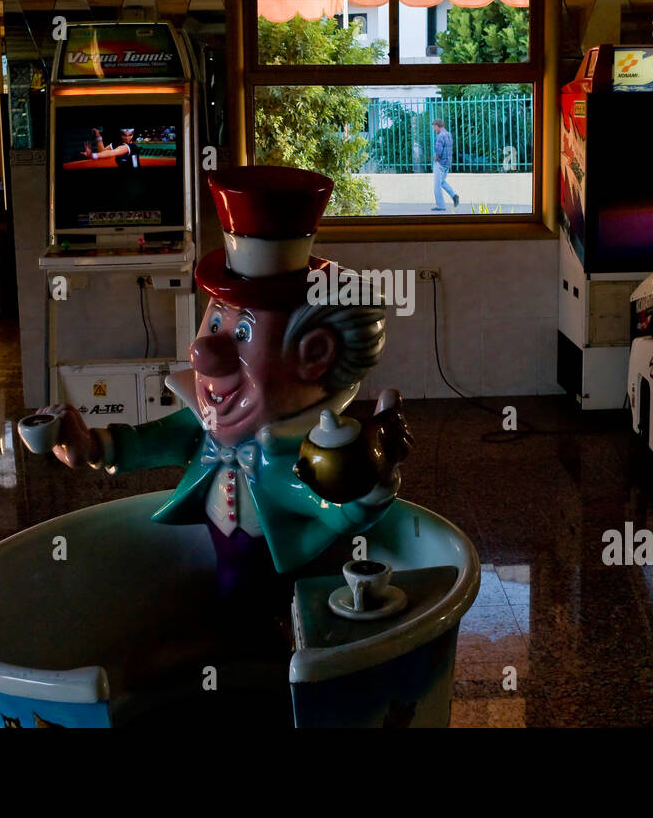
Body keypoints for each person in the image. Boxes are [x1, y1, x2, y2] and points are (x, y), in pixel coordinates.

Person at [35, 166, 411, 653]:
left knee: (275, 642)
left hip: (286, 599)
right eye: (215, 318)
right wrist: (90, 446)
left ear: (314, 357)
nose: (204, 352)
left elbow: (331, 509)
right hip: (222, 584)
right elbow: (151, 441)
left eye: (243, 332)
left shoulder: (293, 459)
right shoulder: (204, 430)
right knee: (223, 630)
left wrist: (373, 477)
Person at [431, 118, 459, 211]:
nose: (434, 129)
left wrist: (435, 159)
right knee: (442, 182)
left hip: (440, 163)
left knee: (437, 186)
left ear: (437, 126)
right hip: (447, 163)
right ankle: (454, 196)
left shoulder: (440, 136)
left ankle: (441, 206)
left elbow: (438, 152)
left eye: (434, 127)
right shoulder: (448, 134)